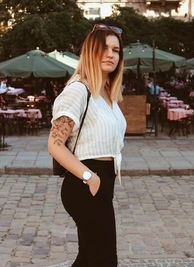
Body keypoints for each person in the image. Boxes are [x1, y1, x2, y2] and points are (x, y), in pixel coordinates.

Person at [47, 24, 126, 267]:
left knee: (93, 258)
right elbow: (54, 144)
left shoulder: (105, 93)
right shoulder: (79, 90)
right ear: (91, 51)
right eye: (104, 48)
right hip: (84, 184)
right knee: (102, 260)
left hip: (103, 182)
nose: (111, 54)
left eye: (116, 49)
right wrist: (90, 177)